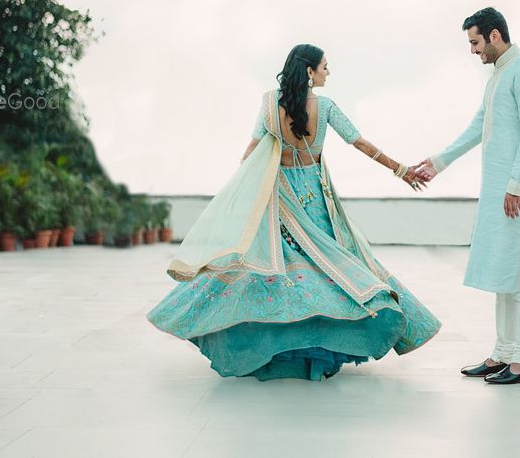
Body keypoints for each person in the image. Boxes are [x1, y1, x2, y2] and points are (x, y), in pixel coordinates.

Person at [147, 44, 441, 381]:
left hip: (278, 194)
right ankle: (319, 350)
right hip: (314, 197)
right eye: (325, 67)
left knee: (281, 270)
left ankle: (281, 350)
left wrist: (245, 190)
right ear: (309, 72)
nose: (328, 72)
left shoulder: (271, 104)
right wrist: (400, 169)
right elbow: (360, 143)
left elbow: (253, 149)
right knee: (329, 268)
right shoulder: (327, 106)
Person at [411, 7, 520, 385]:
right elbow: (477, 127)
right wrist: (438, 163)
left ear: (494, 36)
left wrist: (517, 184)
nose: (473, 50)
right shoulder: (498, 77)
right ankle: (503, 354)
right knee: (505, 271)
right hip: (500, 190)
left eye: (475, 42)